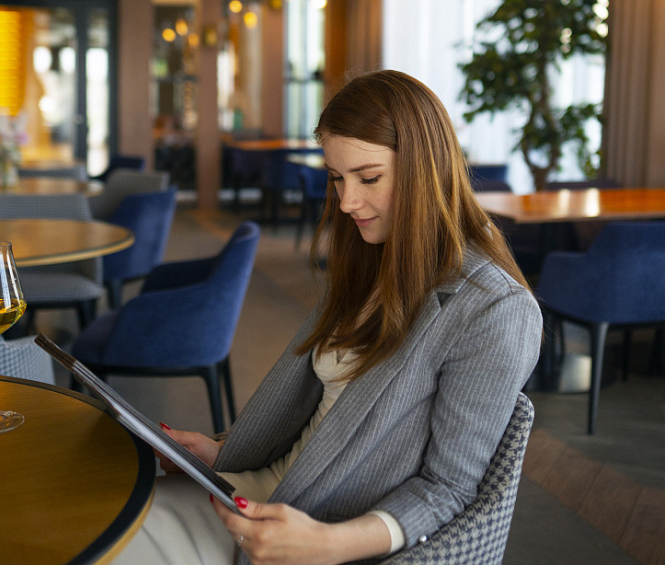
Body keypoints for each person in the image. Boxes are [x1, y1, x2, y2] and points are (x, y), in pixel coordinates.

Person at [112, 69, 543, 565]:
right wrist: (218, 453)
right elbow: (320, 416)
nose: (346, 202)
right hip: (263, 494)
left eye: (369, 178)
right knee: (96, 511)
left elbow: (448, 489)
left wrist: (326, 545)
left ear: (427, 169)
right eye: (337, 178)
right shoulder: (371, 261)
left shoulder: (492, 310)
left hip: (316, 525)